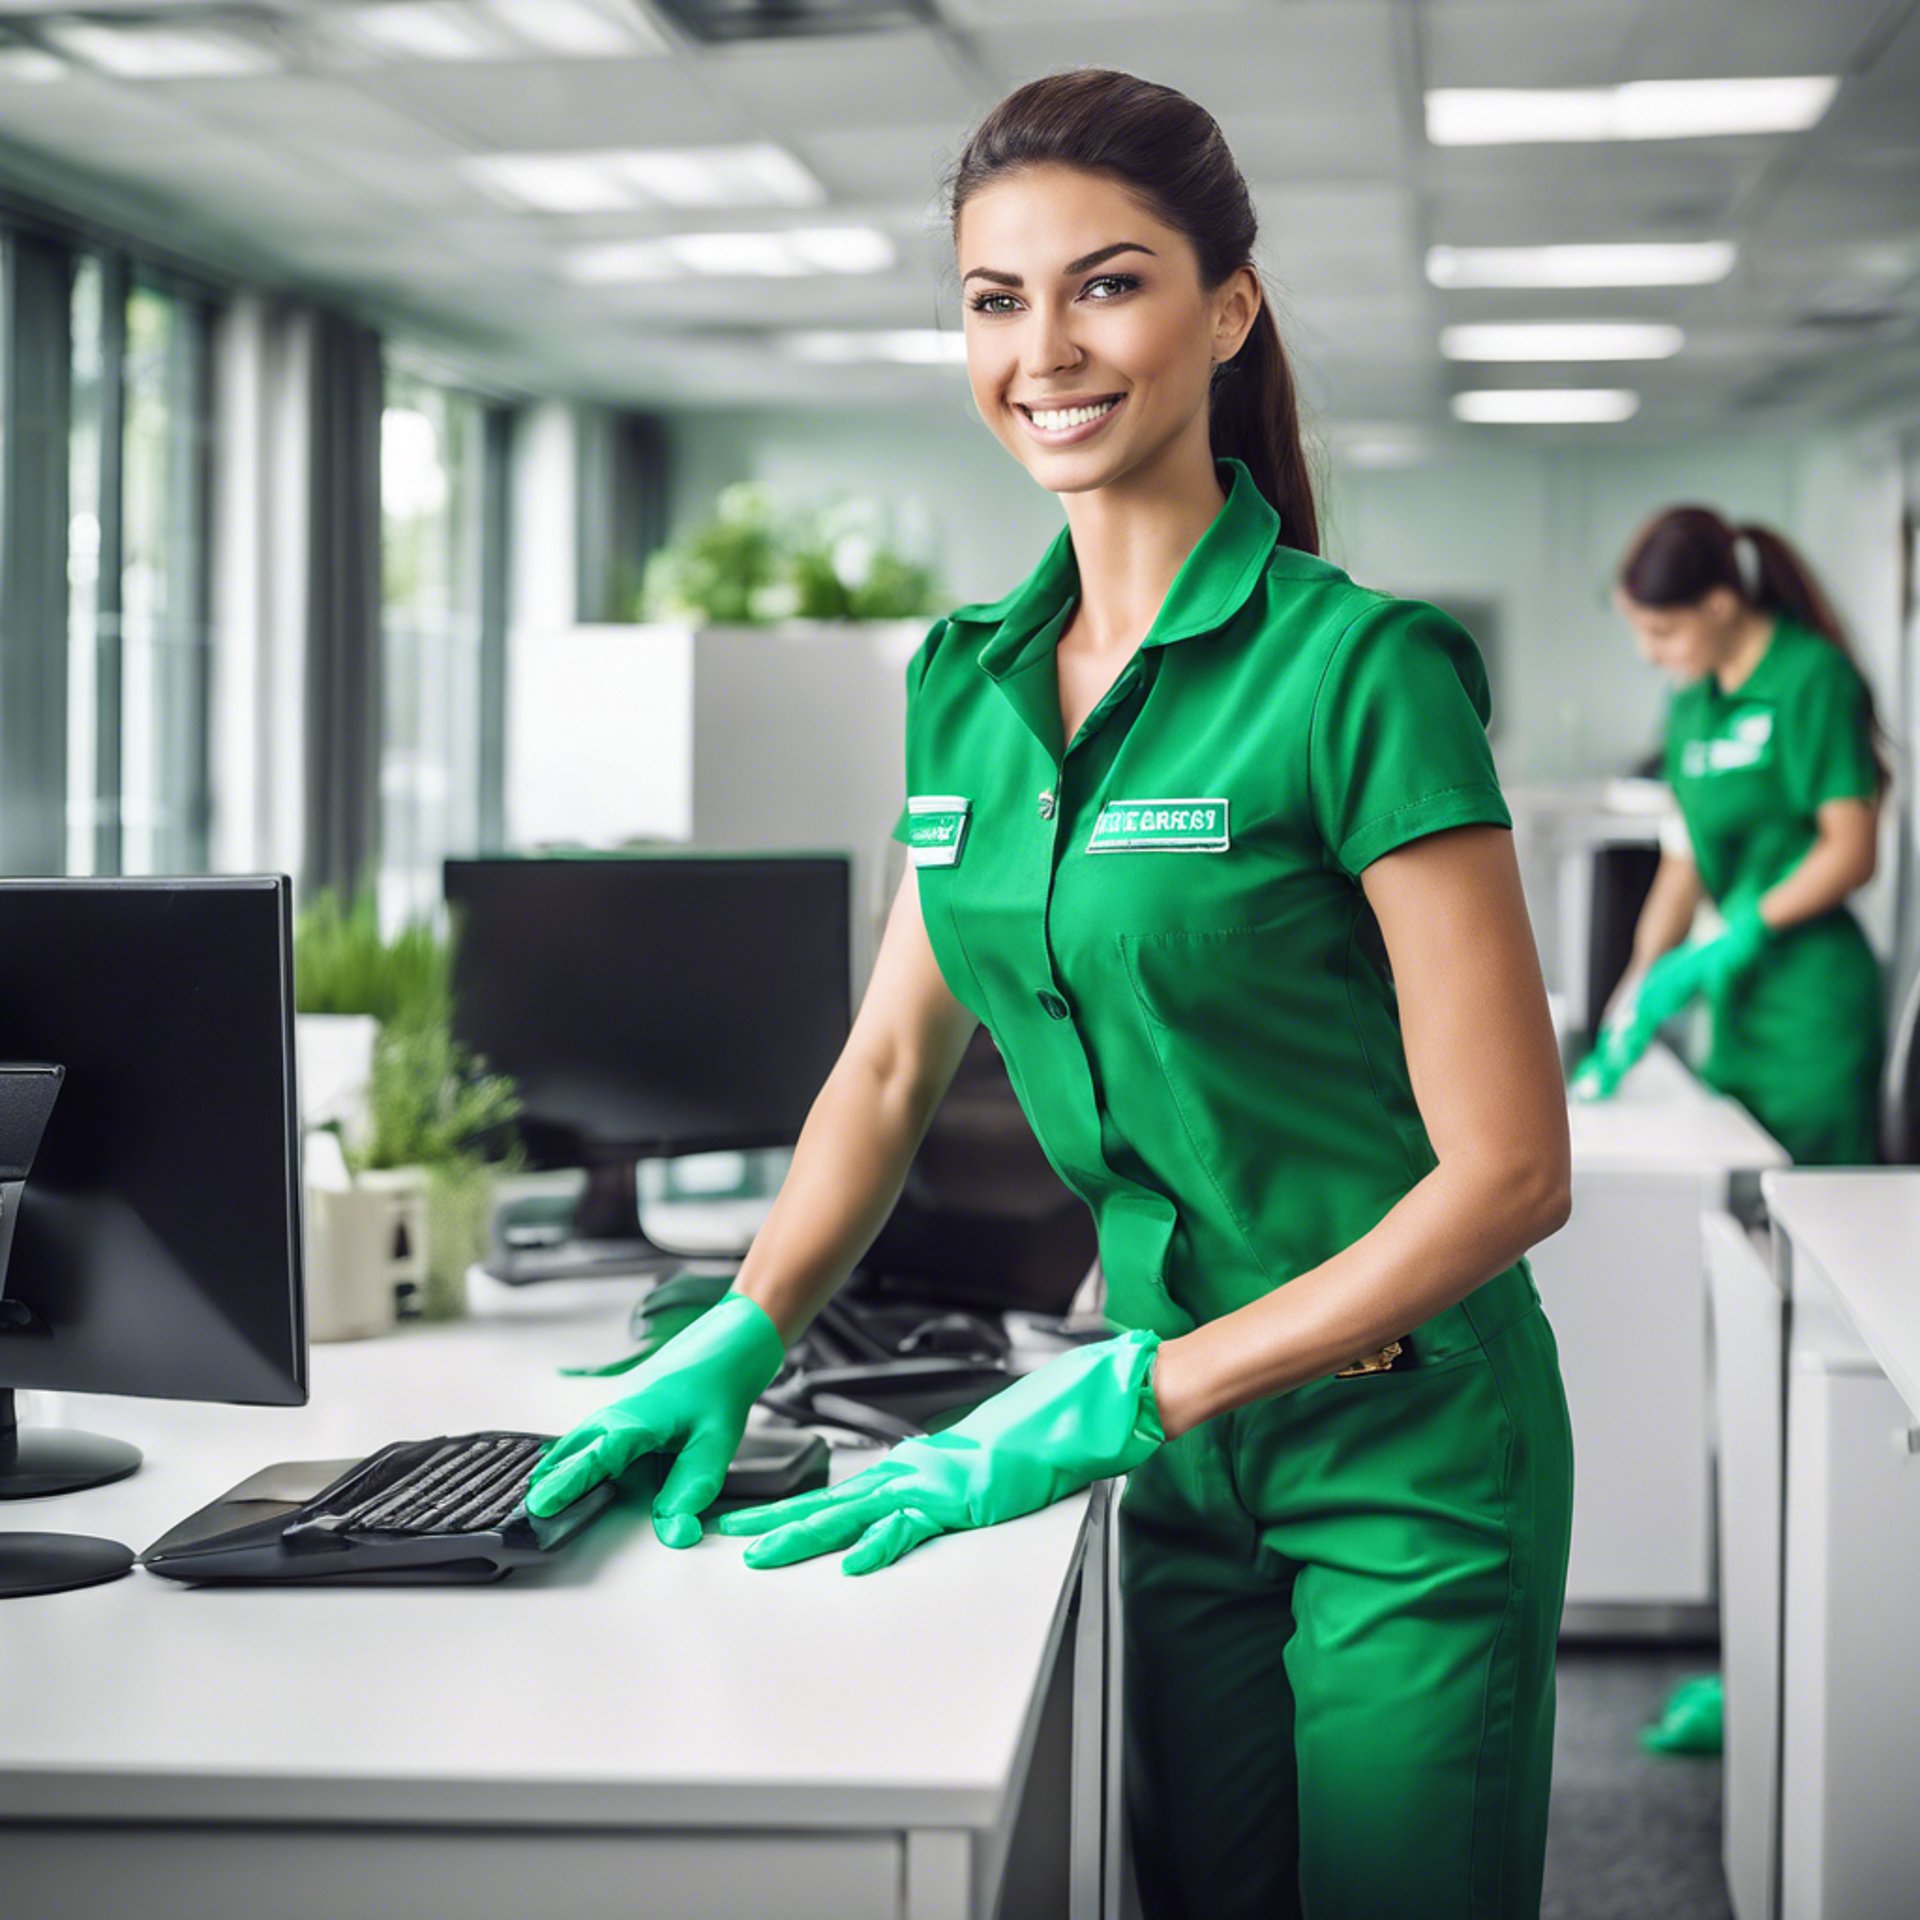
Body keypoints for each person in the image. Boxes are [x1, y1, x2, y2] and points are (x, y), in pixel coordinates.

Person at [527, 70, 1575, 1920]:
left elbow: (1509, 1176)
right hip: (1168, 1445)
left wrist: (1125, 1397)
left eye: (1108, 284)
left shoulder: (1363, 674)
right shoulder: (965, 680)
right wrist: (749, 1326)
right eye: (995, 300)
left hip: (1400, 1449)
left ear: (1226, 310)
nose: (1045, 349)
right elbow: (885, 1063)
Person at [1572, 505, 1891, 1165]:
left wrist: (1739, 930)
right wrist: (1639, 982)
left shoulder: (1810, 679)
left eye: (1662, 631)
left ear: (1720, 605)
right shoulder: (1690, 704)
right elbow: (1683, 863)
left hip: (1811, 1005)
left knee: (1814, 1217)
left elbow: (1851, 849)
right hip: (1733, 1008)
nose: (1648, 653)